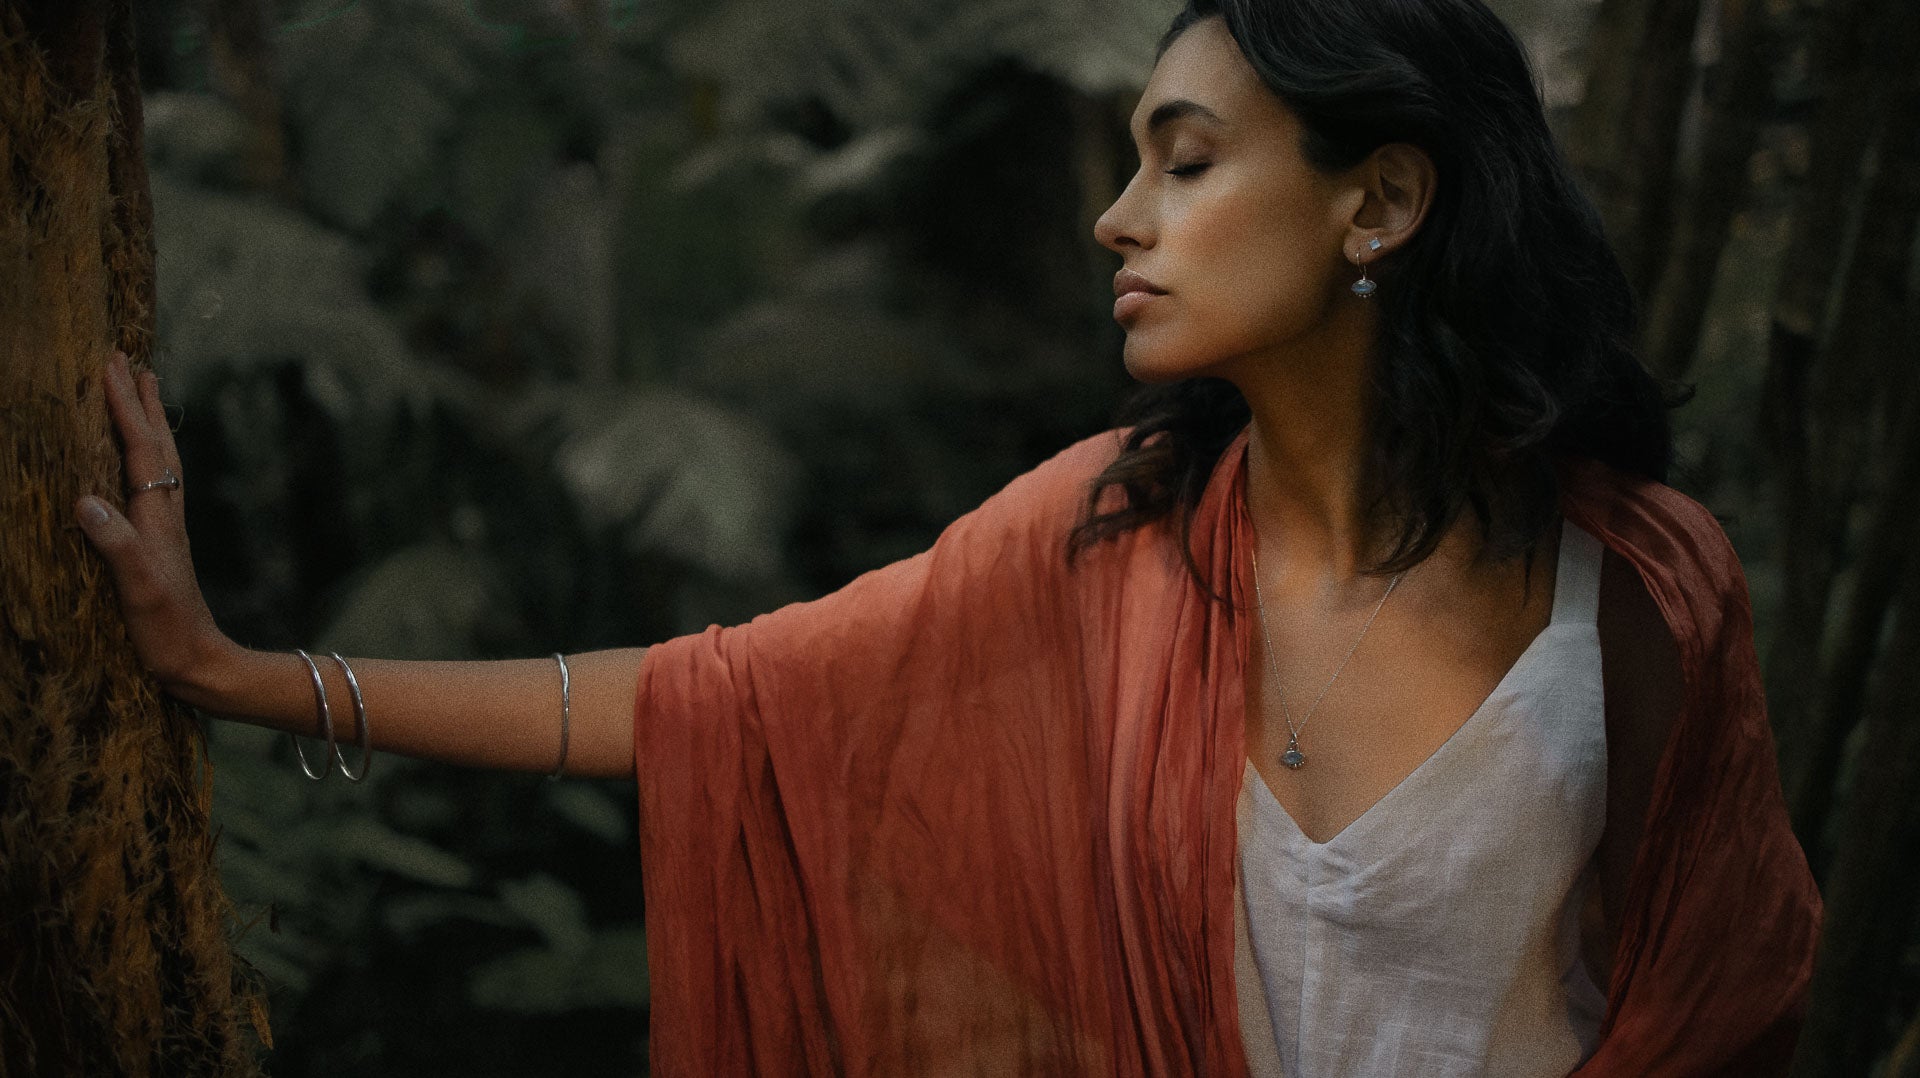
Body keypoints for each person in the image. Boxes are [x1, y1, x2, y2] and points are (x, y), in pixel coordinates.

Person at [77, 0, 1821, 1074]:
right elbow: (710, 702)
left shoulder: (1637, 590)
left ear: (1380, 199)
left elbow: (1722, 997)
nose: (1116, 214)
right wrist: (240, 673)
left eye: (1189, 162)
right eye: (1137, 161)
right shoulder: (1107, 541)